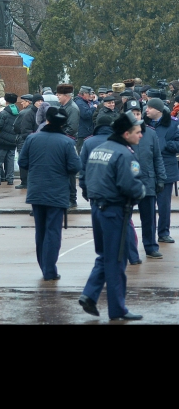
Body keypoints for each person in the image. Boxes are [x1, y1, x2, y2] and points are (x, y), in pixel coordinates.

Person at [78, 112, 146, 321]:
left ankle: (89, 295)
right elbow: (130, 185)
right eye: (137, 132)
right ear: (126, 134)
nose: (141, 135)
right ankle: (117, 309)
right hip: (115, 211)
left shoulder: (99, 149)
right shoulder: (125, 154)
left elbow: (84, 180)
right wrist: (141, 192)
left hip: (98, 209)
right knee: (117, 259)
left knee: (105, 255)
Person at [18, 107, 82, 281]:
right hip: (57, 191)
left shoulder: (32, 138)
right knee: (53, 232)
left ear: (47, 120)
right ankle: (49, 269)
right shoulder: (67, 142)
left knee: (41, 231)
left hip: (37, 190)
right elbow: (75, 167)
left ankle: (44, 266)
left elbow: (22, 161)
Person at [124, 100, 164, 260]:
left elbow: (157, 157)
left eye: (138, 113)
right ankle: (128, 250)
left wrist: (161, 178)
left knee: (149, 218)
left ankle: (150, 246)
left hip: (147, 181)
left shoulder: (150, 133)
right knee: (125, 218)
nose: (135, 116)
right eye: (132, 114)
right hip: (126, 183)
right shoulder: (122, 134)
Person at [144, 98, 179, 244]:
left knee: (164, 204)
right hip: (148, 169)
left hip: (167, 167)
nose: (147, 110)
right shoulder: (143, 125)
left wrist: (164, 145)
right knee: (148, 205)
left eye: (150, 108)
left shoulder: (173, 124)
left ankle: (164, 232)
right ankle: (150, 233)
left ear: (158, 109)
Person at [56, 84, 80, 207]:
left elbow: (72, 128)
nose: (57, 97)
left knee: (70, 172)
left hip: (68, 142)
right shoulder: (63, 107)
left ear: (66, 95)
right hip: (62, 141)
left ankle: (72, 198)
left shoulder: (73, 108)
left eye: (59, 95)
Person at [14, 94, 44, 189]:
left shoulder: (44, 113)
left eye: (41, 101)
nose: (40, 103)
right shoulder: (28, 114)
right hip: (30, 142)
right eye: (38, 101)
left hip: (41, 143)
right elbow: (25, 130)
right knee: (25, 161)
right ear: (33, 102)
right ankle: (25, 182)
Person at [0, 93, 19, 185]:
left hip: (2, 140)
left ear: (6, 101)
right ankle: (10, 179)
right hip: (13, 140)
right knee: (10, 160)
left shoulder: (3, 113)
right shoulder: (18, 113)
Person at [74, 87, 96, 152]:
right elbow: (85, 115)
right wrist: (94, 108)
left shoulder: (83, 102)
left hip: (86, 131)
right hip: (82, 132)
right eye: (89, 94)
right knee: (81, 151)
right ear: (84, 94)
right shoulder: (79, 103)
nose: (90, 96)